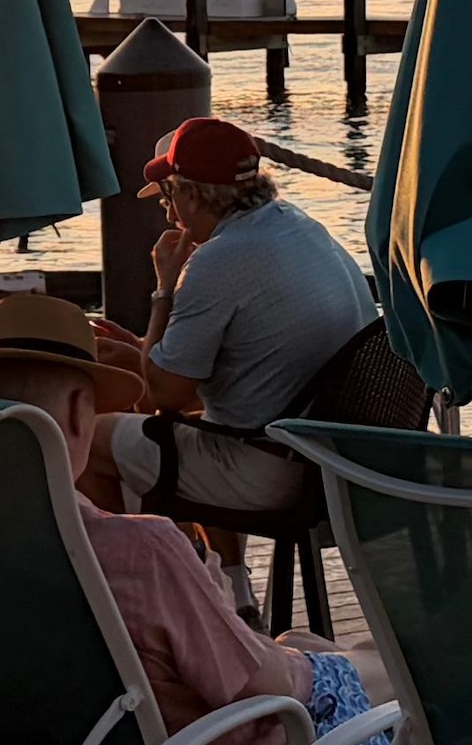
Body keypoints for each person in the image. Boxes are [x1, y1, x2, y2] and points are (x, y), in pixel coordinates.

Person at [0, 293, 379, 745]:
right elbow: (268, 686)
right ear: (80, 413)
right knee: (392, 667)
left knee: (301, 642)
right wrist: (220, 609)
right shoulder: (139, 551)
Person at [101, 118, 379, 522]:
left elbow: (164, 396)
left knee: (88, 439)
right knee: (198, 425)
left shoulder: (217, 260)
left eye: (168, 194)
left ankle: (144, 578)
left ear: (191, 194)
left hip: (275, 473)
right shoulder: (298, 225)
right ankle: (224, 578)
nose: (169, 215)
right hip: (337, 459)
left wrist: (164, 289)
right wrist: (139, 348)